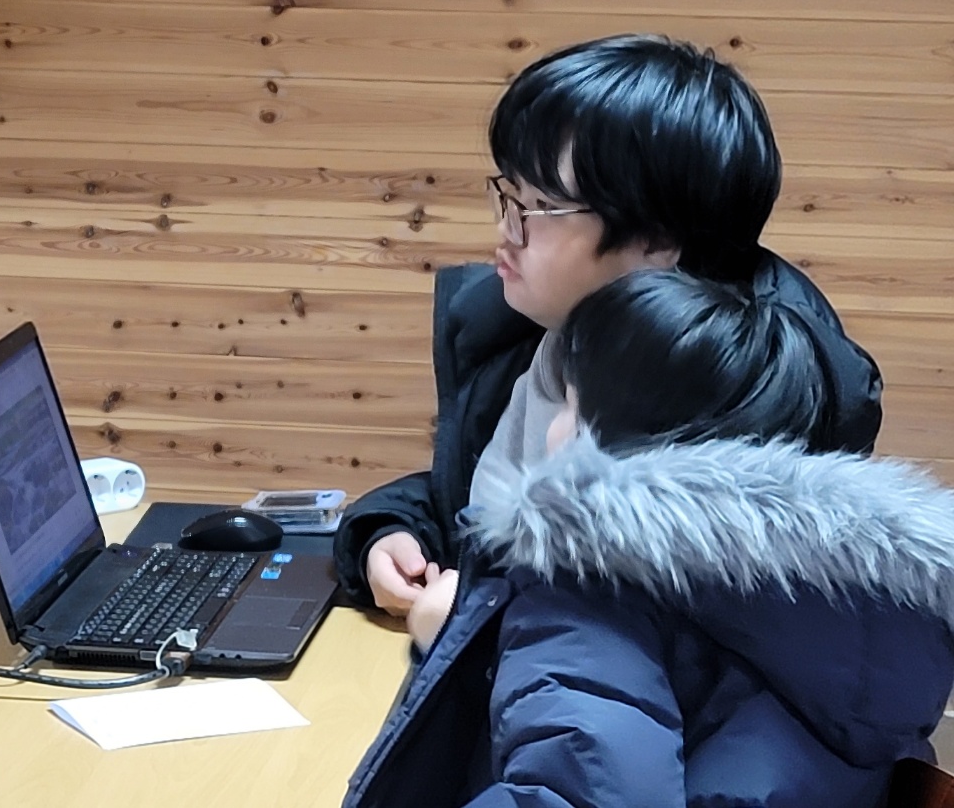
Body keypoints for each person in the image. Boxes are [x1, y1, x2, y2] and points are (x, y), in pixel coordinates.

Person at [345, 269, 954, 808]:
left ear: (606, 439)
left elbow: (580, 780)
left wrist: (466, 640)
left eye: (568, 401)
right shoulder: (849, 600)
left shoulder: (587, 593)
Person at [333, 33, 883, 616]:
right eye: (509, 195)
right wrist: (391, 531)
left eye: (539, 207)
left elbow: (660, 642)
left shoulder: (736, 417)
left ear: (657, 241)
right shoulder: (540, 332)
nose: (506, 230)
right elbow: (470, 495)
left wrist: (478, 619)